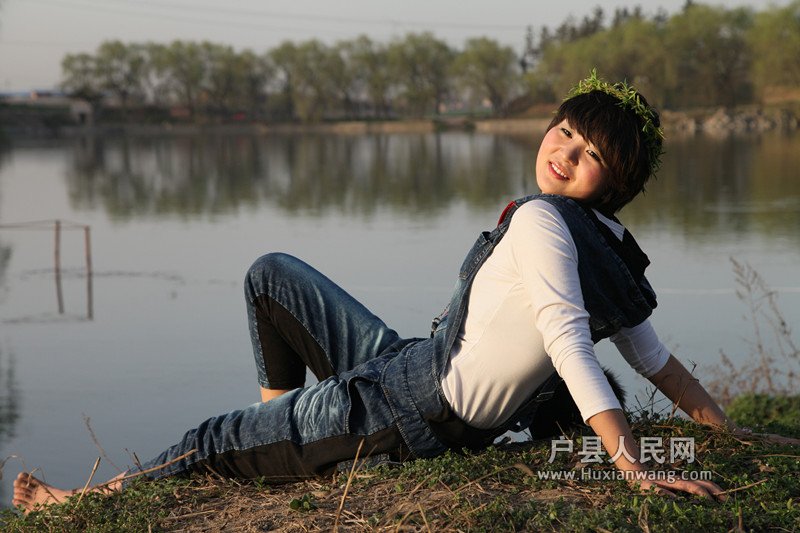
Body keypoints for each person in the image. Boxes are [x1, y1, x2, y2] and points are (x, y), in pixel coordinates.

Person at [12, 72, 796, 512]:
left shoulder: (546, 224)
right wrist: (725, 427)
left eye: (589, 153)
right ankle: (280, 425)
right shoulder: (599, 239)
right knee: (271, 275)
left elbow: (577, 346)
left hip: (399, 414)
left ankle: (78, 501)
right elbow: (660, 364)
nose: (564, 152)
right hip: (409, 363)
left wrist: (633, 466)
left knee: (210, 439)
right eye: (565, 131)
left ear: (612, 182)